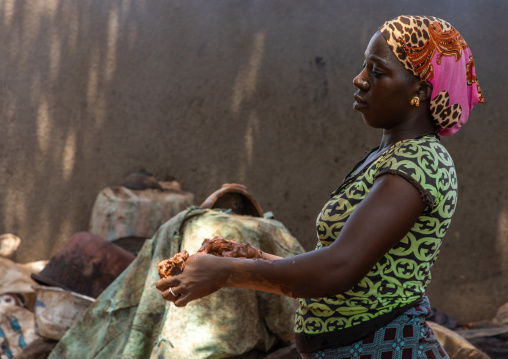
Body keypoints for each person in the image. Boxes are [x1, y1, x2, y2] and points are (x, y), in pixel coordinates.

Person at [156, 15, 484, 358]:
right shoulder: (389, 157)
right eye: (364, 66)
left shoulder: (420, 162)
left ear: (420, 90)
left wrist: (227, 272)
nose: (359, 80)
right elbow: (339, 267)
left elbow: (339, 269)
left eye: (377, 71)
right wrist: (251, 256)